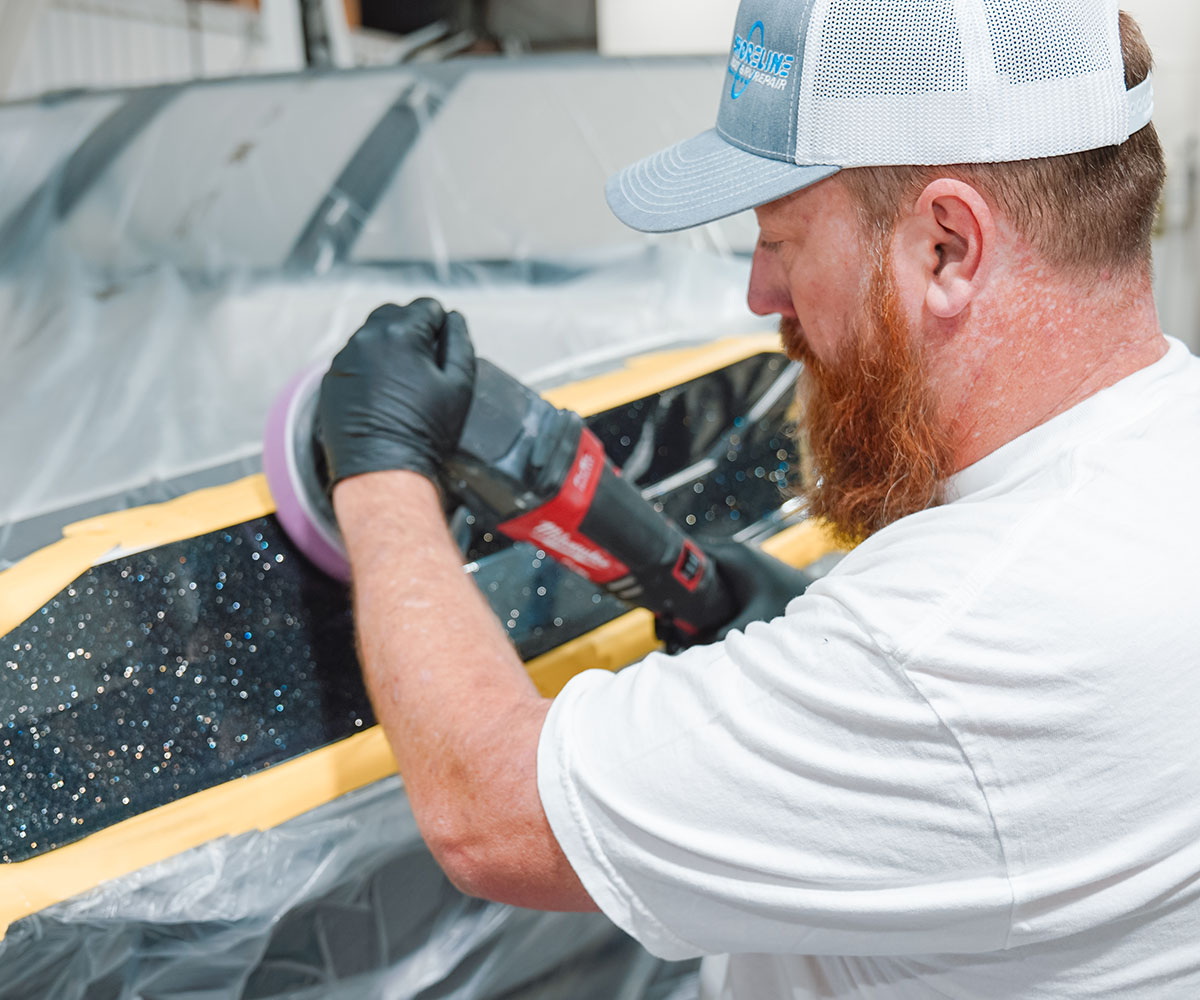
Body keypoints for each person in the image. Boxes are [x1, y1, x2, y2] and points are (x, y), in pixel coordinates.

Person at [316, 0, 1200, 996]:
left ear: (947, 246)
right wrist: (790, 639)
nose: (758, 293)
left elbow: (493, 814)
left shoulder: (958, 635)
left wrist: (382, 470)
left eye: (780, 239)